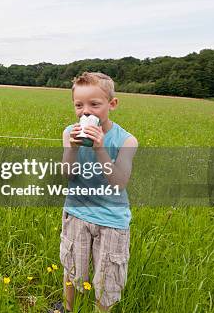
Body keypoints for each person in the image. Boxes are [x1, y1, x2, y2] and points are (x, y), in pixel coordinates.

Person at [57, 72, 138, 312]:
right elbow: (67, 175)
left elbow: (119, 182)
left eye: (95, 104)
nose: (85, 111)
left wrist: (100, 148)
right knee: (72, 268)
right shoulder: (68, 133)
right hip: (77, 212)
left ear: (112, 104)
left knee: (108, 280)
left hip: (111, 220)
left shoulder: (127, 141)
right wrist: (71, 149)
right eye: (79, 105)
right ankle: (68, 308)